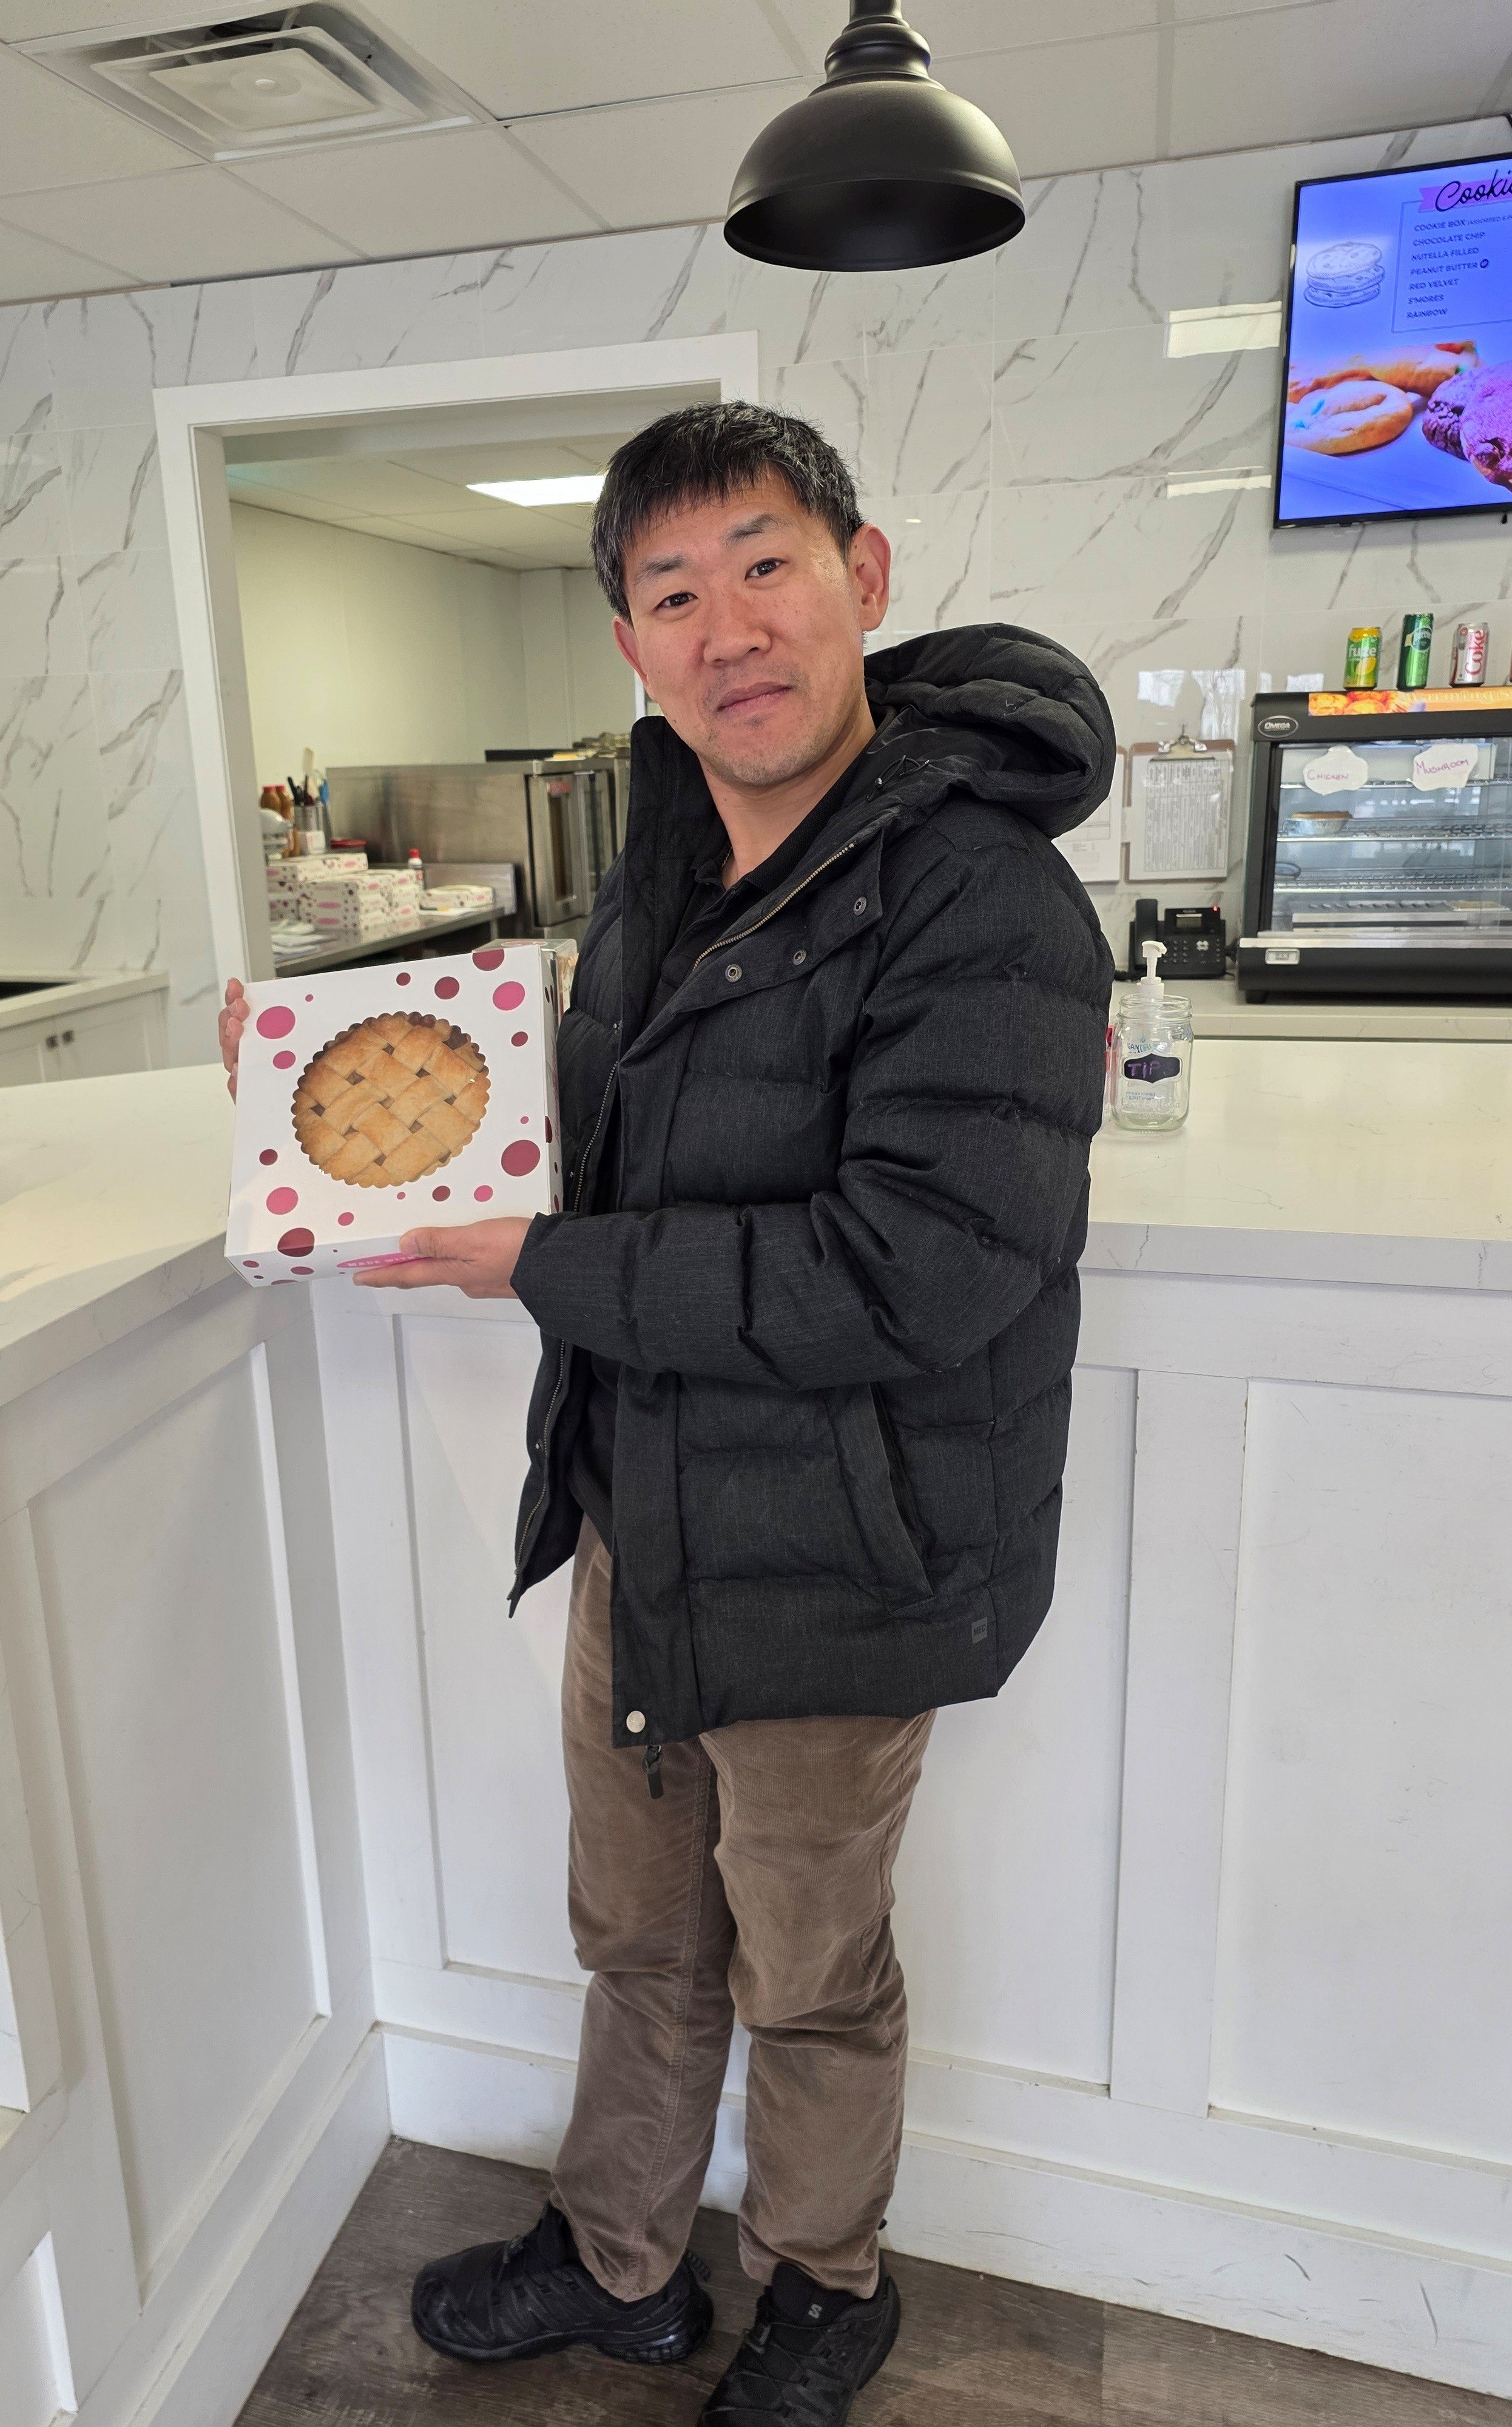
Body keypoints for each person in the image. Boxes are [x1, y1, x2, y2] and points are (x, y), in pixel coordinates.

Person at [220, 402, 1115, 2425]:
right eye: (673, 592)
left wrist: (539, 1262)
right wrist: (314, 1057)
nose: (731, 630)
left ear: (863, 582)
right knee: (636, 1931)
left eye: (768, 566)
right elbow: (593, 1126)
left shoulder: (982, 899)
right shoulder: (661, 867)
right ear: (629, 638)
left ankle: (825, 2282)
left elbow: (918, 1272)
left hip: (844, 1552)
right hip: (646, 1512)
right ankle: (625, 2259)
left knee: (811, 1965)